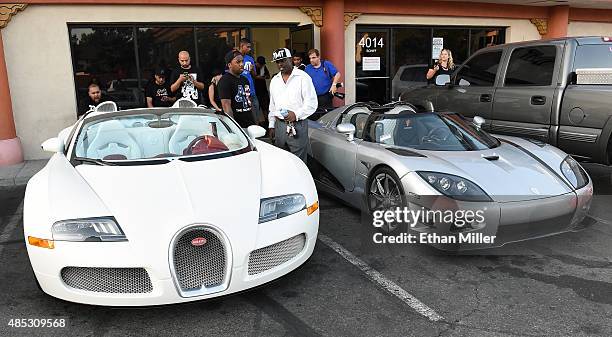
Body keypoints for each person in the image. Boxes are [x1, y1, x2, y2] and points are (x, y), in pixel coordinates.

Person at [268, 48, 317, 163]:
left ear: (291, 59)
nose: (280, 64)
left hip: (297, 125)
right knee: (281, 159)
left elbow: (312, 103)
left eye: (283, 60)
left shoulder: (303, 77)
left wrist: (296, 114)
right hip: (279, 125)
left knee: (298, 162)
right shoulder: (275, 80)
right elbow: (272, 105)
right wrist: (271, 125)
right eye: (277, 61)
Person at [218, 50, 255, 128]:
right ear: (229, 65)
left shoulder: (245, 79)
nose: (241, 64)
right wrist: (233, 128)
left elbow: (249, 103)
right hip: (237, 126)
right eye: (238, 62)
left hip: (249, 124)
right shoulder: (225, 80)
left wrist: (254, 123)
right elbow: (226, 107)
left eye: (242, 61)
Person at [238, 38, 260, 124]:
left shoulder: (250, 58)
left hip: (252, 90)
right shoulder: (235, 57)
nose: (249, 49)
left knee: (255, 113)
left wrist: (252, 70)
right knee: (246, 115)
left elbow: (254, 75)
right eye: (248, 47)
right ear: (242, 46)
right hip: (241, 91)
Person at [255, 56, 270, 124]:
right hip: (255, 90)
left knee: (265, 107)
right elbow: (254, 77)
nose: (261, 65)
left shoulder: (264, 67)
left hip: (263, 90)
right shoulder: (253, 68)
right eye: (260, 64)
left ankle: (267, 121)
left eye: (262, 64)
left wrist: (261, 77)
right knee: (256, 107)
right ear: (257, 63)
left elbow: (268, 76)